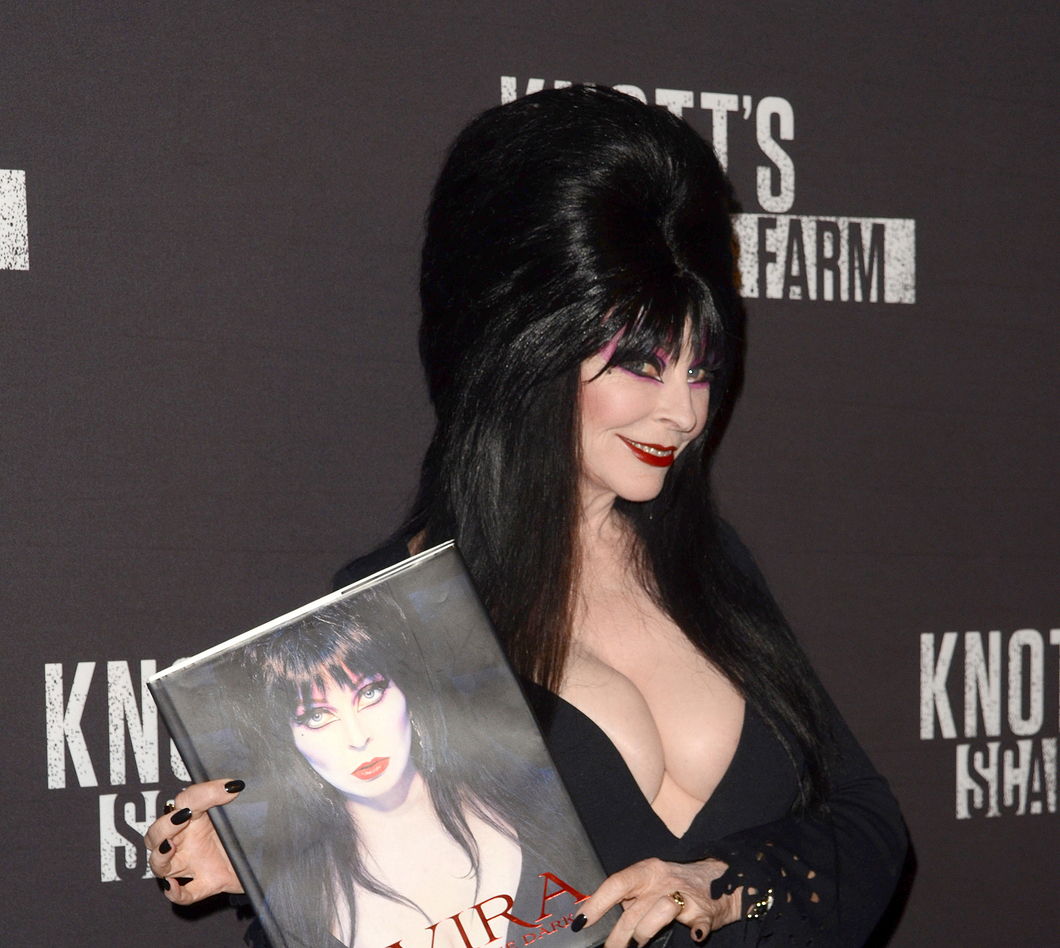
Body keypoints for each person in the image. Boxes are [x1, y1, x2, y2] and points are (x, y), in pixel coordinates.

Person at [146, 85, 907, 947]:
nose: (685, 415)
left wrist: (731, 889)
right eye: (643, 365)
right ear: (525, 354)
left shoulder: (708, 562)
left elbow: (867, 831)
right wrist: (281, 865)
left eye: (702, 368)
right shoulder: (393, 616)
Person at [209, 588, 564, 948]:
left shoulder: (544, 801)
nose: (358, 736)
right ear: (289, 744)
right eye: (317, 716)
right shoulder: (296, 912)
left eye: (370, 693)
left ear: (408, 694)